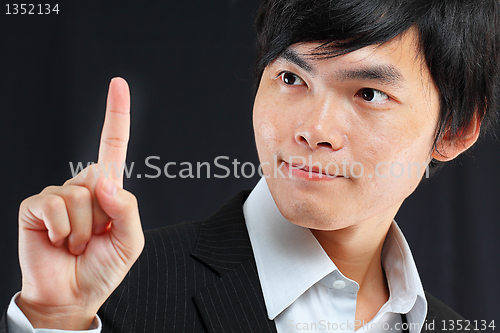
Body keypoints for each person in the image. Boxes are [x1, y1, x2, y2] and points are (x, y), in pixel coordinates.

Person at [2, 0, 499, 332]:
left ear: (455, 130)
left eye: (369, 93)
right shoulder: (114, 295)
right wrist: (55, 318)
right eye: (290, 77)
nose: (314, 129)